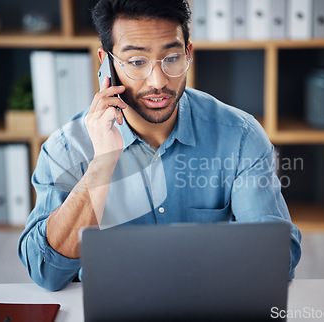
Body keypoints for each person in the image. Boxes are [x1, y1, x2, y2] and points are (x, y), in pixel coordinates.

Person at [18, 0, 302, 292]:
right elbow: (45, 271)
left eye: (172, 58)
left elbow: (278, 258)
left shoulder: (241, 136)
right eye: (137, 62)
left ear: (188, 54)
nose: (158, 81)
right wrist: (101, 164)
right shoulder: (68, 147)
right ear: (106, 63)